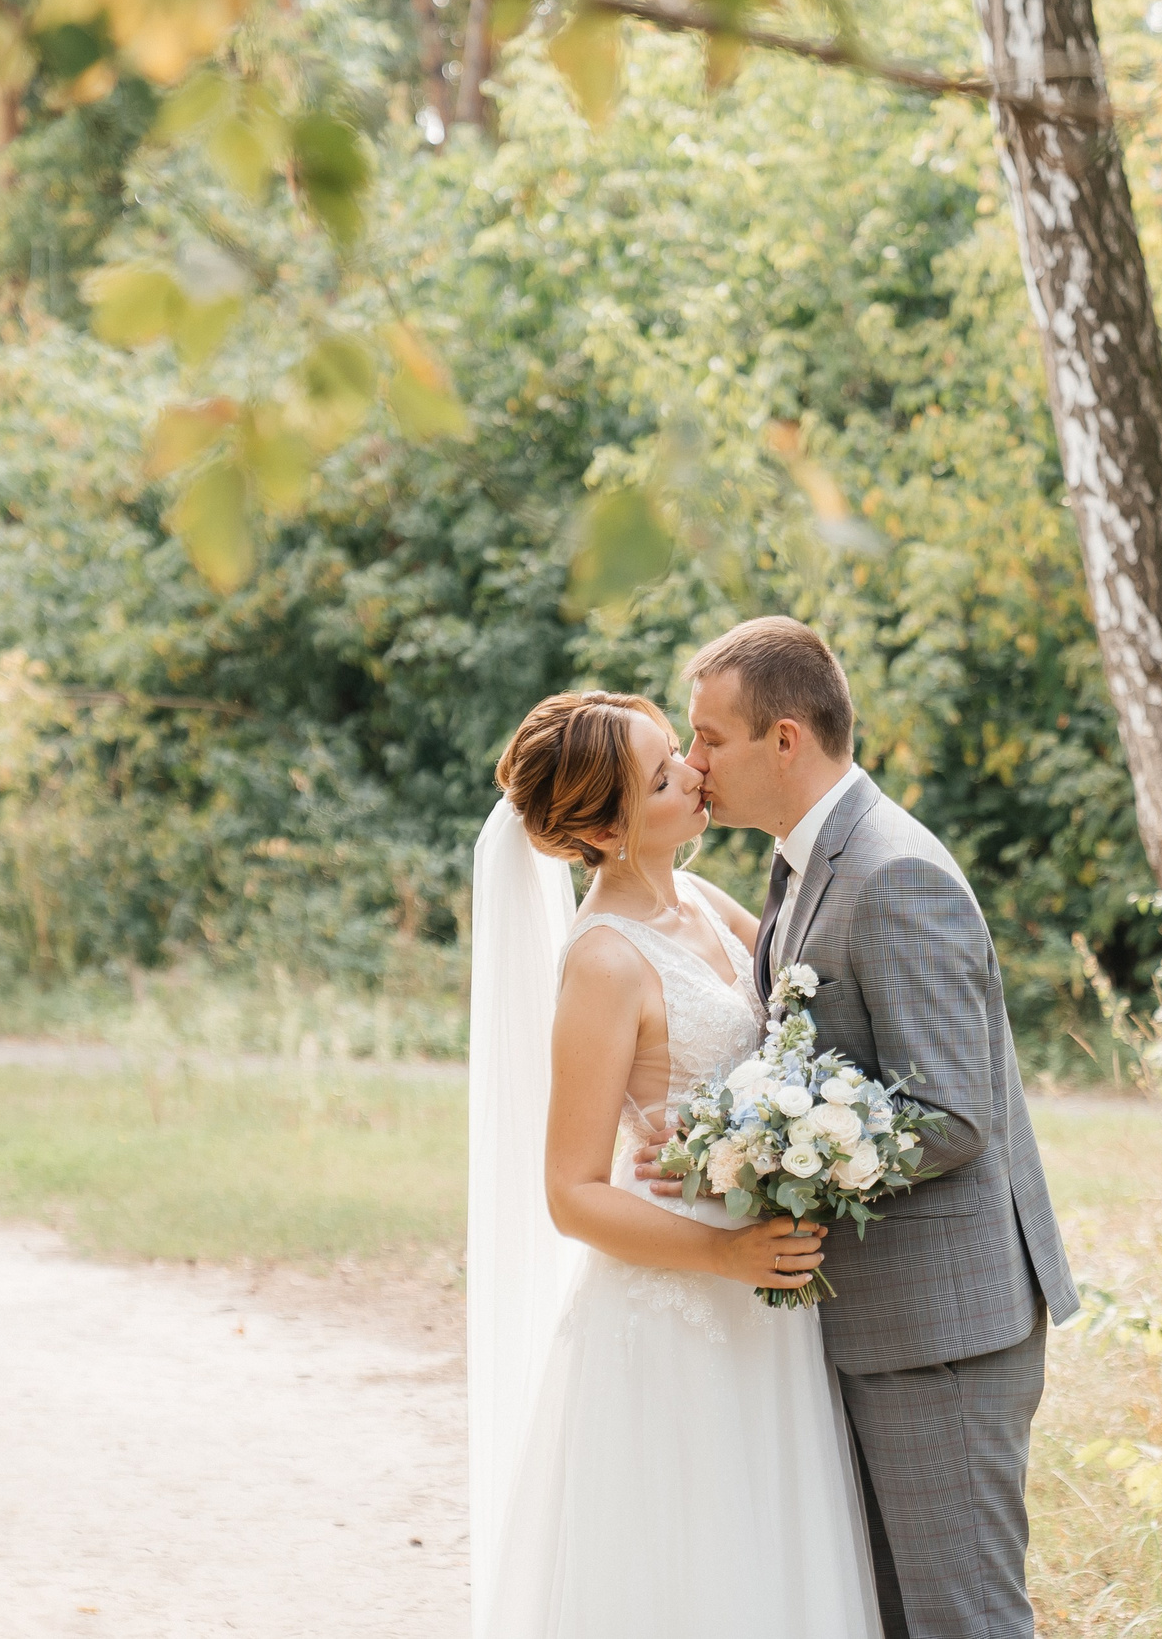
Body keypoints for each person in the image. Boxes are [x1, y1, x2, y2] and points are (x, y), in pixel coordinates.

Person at [641, 617, 1079, 1639]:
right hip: (883, 1324)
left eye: (710, 739)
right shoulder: (802, 863)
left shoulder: (893, 875)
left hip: (944, 1330)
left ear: (784, 741)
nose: (695, 763)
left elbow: (953, 1113)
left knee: (962, 1620)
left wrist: (761, 1157)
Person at [467, 689, 879, 1639]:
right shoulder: (605, 963)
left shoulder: (697, 896)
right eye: (663, 775)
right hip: (683, 1306)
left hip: (763, 1289)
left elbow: (790, 1023)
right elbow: (571, 1194)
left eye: (679, 753)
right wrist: (727, 1257)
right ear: (607, 829)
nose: (695, 772)